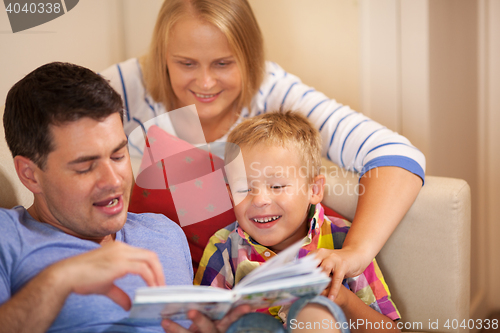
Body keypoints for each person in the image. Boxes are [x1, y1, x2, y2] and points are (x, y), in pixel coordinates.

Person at [100, 0, 425, 300]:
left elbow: (396, 153)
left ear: (249, 57)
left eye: (223, 63)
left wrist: (355, 251)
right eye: (186, 63)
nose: (206, 82)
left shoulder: (272, 89)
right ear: (162, 58)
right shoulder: (131, 84)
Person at [0, 62, 250, 333]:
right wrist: (60, 279)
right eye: (85, 166)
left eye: (118, 156)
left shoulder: (165, 233)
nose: (114, 181)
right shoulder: (8, 236)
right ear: (30, 175)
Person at [193, 112, 401, 333]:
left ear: (314, 190)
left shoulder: (347, 242)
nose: (260, 200)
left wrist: (342, 299)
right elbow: (200, 322)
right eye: (244, 189)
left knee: (315, 310)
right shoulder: (223, 246)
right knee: (250, 325)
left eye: (277, 186)